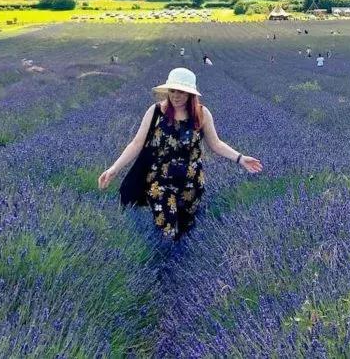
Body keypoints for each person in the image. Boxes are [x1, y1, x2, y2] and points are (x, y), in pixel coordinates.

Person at [99, 68, 263, 241]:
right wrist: (114, 169)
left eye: (181, 92)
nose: (176, 96)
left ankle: (178, 257)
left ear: (190, 94)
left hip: (191, 182)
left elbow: (215, 144)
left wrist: (240, 158)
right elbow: (136, 144)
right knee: (167, 227)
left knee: (185, 228)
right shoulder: (155, 112)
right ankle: (161, 255)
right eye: (172, 91)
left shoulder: (202, 114)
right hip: (160, 180)